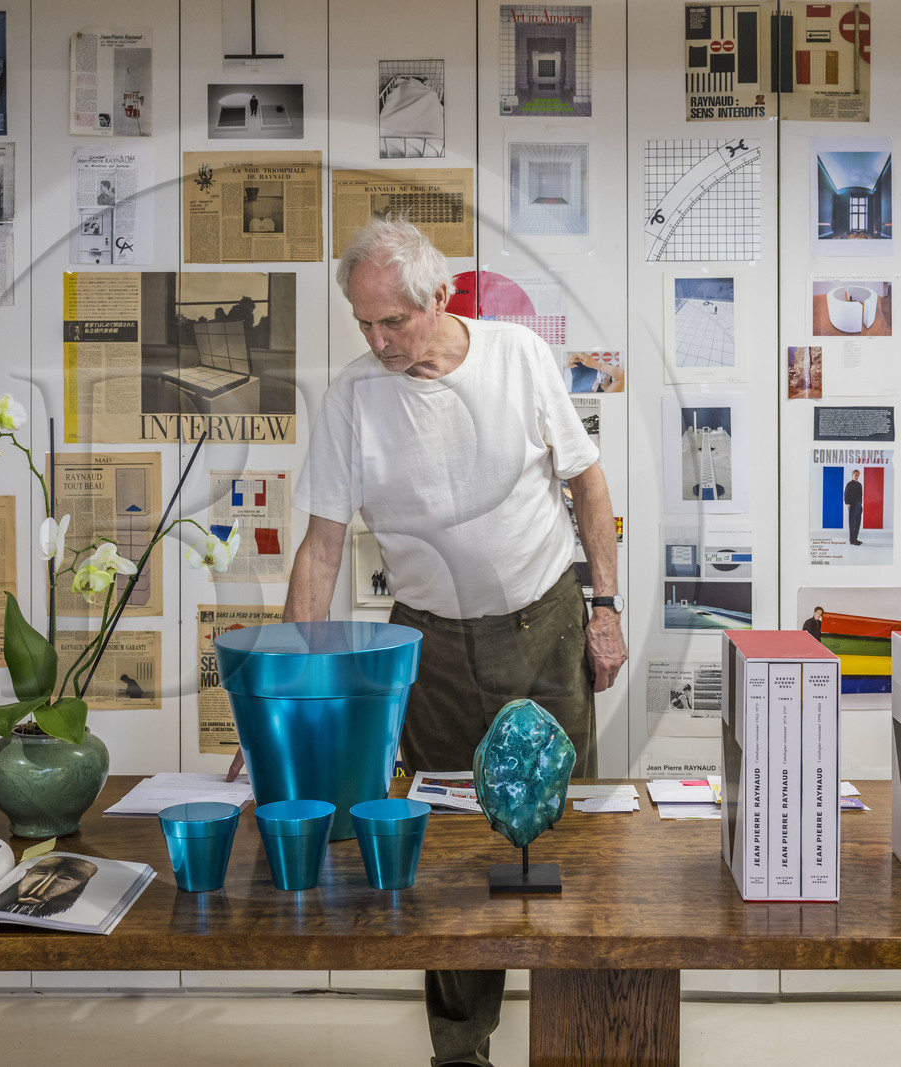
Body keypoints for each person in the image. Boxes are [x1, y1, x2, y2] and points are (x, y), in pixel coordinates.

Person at [227, 216, 626, 1067]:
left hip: (545, 622)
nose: (377, 341)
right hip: (431, 650)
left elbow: (586, 480)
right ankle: (461, 1048)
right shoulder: (353, 397)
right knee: (442, 847)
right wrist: (287, 697)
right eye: (364, 324)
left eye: (393, 322)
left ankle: (582, 1030)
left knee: (564, 835)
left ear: (439, 296)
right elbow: (322, 546)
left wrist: (606, 605)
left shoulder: (518, 357)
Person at [845, 469, 864, 545]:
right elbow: (846, 494)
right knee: (852, 523)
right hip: (852, 506)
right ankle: (852, 540)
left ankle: (855, 539)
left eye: (858, 475)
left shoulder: (859, 485)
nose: (856, 477)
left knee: (858, 523)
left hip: (858, 506)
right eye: (855, 475)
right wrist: (848, 503)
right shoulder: (849, 484)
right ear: (852, 475)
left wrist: (860, 505)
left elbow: (860, 496)